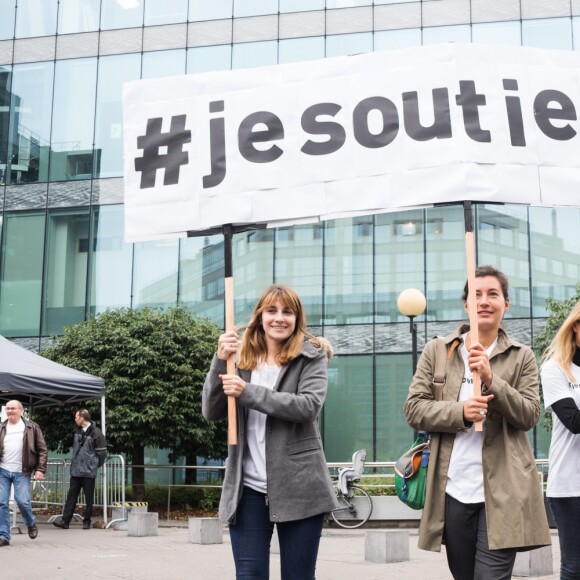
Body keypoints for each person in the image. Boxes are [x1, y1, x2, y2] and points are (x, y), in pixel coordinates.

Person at [404, 265, 551, 580]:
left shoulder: (521, 355)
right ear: (466, 304)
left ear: (505, 304)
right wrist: (460, 412)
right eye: (477, 294)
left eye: (493, 294)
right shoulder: (438, 351)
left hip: (504, 490)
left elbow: (529, 415)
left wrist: (491, 379)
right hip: (454, 489)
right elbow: (414, 409)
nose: (484, 301)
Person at [202, 284, 338, 579]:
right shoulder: (238, 360)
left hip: (300, 485)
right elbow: (211, 412)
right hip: (247, 487)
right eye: (272, 311)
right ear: (260, 317)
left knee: (298, 576)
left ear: (297, 318)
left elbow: (308, 407)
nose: (279, 318)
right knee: (249, 574)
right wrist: (218, 361)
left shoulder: (310, 356)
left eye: (287, 312)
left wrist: (248, 392)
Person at [540, 300, 580, 580]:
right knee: (575, 567)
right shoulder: (556, 369)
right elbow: (575, 422)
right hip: (570, 486)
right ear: (576, 326)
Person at [0, 399, 47, 546]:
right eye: (7, 409)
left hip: (22, 471)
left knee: (22, 501)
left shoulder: (31, 427)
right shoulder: (1, 427)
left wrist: (40, 469)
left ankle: (30, 522)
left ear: (21, 410)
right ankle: (4, 536)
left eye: (13, 408)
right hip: (3, 470)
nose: (9, 411)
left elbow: (42, 450)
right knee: (1, 502)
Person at [53, 409, 107, 530]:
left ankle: (86, 521)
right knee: (71, 496)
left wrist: (93, 465)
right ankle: (65, 521)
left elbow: (102, 453)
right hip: (76, 471)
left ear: (82, 418)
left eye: (76, 417)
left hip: (88, 472)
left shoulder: (97, 432)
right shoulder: (77, 431)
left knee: (89, 498)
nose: (75, 419)